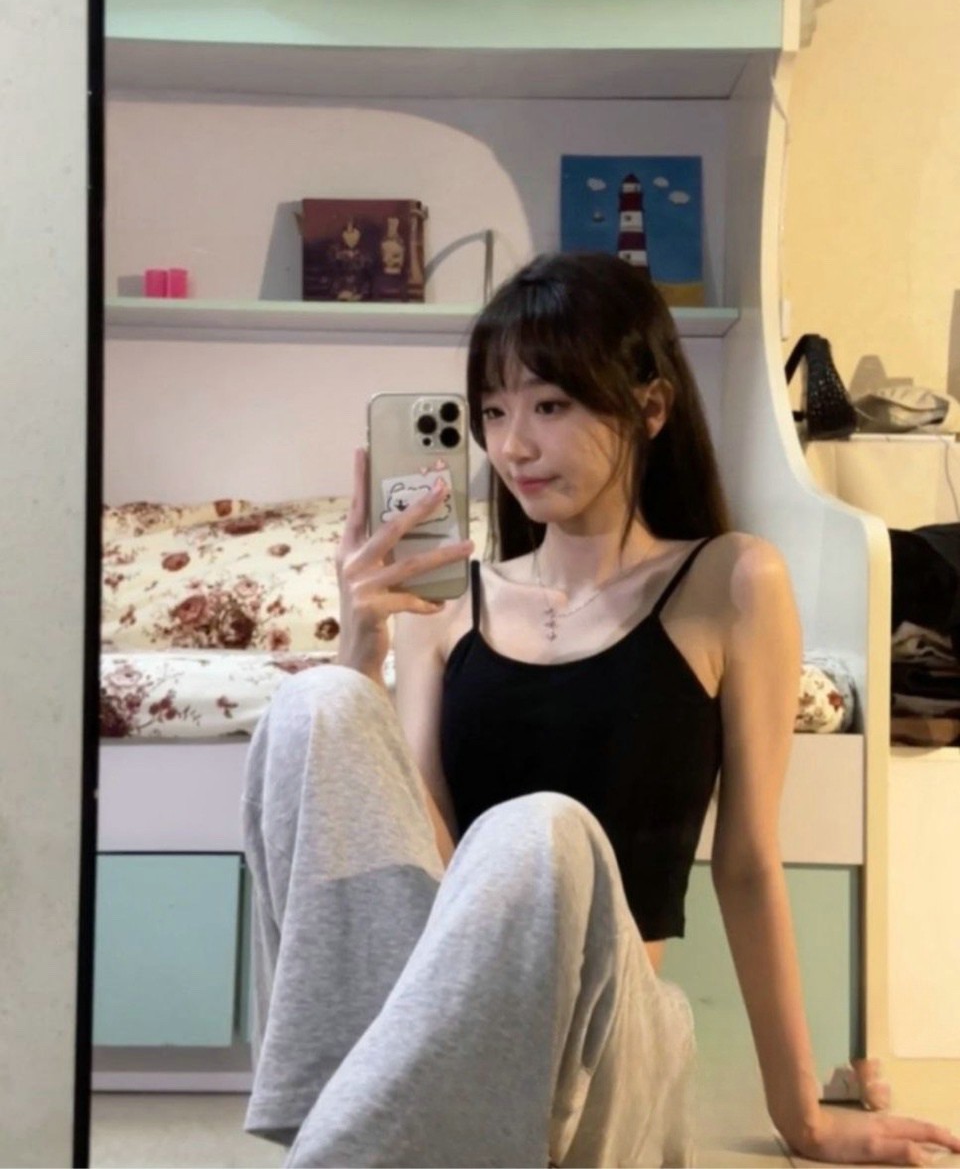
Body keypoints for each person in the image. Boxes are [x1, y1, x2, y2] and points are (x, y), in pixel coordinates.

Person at [242, 253, 960, 1167]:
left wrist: (805, 1118)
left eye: (550, 405)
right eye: (492, 412)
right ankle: (358, 1127)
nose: (513, 447)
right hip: (444, 1024)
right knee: (315, 701)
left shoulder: (731, 580)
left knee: (538, 828)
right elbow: (423, 854)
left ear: (650, 408)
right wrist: (360, 645)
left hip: (607, 1041)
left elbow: (747, 863)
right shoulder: (444, 609)